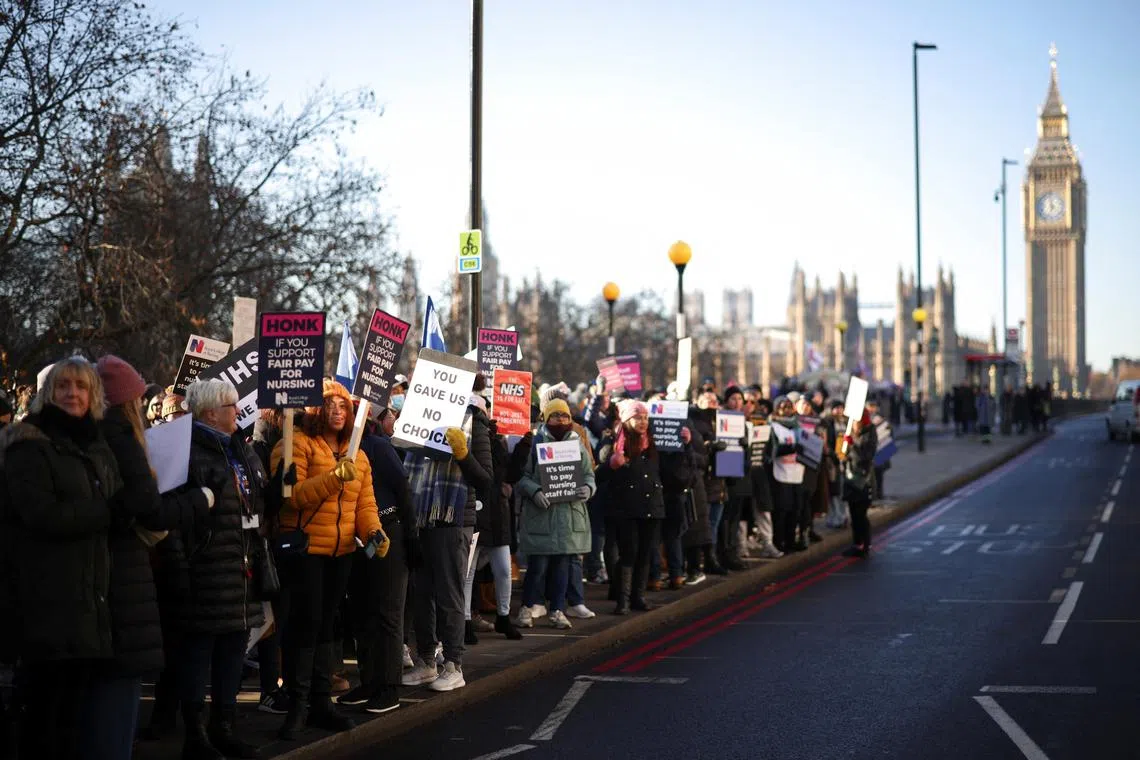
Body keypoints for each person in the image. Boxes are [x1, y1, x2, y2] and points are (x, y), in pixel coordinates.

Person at [0, 357, 121, 760]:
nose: (73, 394)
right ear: (48, 394)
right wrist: (108, 511)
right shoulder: (28, 444)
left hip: (87, 606)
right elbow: (42, 515)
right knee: (42, 723)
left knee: (72, 721)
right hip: (44, 605)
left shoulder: (95, 445)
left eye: (81, 387)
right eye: (64, 386)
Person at [90, 356, 210, 760]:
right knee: (121, 682)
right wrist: (199, 499)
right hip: (137, 568)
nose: (151, 408)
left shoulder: (111, 436)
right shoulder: (121, 437)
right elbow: (149, 507)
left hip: (151, 563)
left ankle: (165, 721)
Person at [157, 378, 268, 759]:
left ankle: (224, 728)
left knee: (231, 655)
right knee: (196, 657)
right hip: (203, 571)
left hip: (241, 569)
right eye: (230, 406)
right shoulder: (184, 451)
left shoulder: (240, 449)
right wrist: (179, 568)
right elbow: (169, 518)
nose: (237, 412)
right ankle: (196, 735)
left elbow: (257, 499)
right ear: (209, 413)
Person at [270, 380, 386, 739]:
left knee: (326, 627)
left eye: (343, 405)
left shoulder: (359, 456)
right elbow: (291, 498)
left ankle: (321, 702)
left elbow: (365, 505)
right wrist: (335, 478)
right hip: (305, 552)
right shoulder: (295, 444)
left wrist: (374, 533)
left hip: (341, 554)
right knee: (304, 625)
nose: (338, 410)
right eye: (330, 404)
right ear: (315, 410)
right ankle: (298, 706)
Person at [401, 380, 493, 693]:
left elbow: (485, 480)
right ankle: (427, 661)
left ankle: (453, 664)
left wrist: (464, 454)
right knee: (421, 592)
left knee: (449, 593)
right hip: (421, 517)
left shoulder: (474, 423)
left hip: (454, 519)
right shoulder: (418, 420)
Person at [515, 399, 595, 628]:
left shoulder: (576, 443)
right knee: (537, 567)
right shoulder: (534, 442)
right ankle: (526, 608)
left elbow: (589, 474)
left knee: (562, 567)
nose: (561, 419)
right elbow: (521, 477)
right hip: (543, 517)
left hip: (567, 517)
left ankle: (558, 610)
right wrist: (535, 491)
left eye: (565, 416)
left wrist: (588, 489)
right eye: (556, 415)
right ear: (546, 418)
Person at [597, 400, 664, 615]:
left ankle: (638, 597)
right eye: (638, 417)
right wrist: (611, 464)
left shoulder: (653, 442)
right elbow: (598, 474)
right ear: (627, 419)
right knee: (629, 553)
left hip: (651, 506)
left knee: (645, 553)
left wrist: (687, 444)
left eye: (645, 418)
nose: (643, 422)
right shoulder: (614, 442)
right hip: (626, 508)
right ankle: (623, 600)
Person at [842, 408, 878, 558]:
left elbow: (865, 456)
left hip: (863, 479)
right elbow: (846, 456)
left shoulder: (869, 433)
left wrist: (853, 445)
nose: (855, 424)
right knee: (853, 514)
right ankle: (858, 543)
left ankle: (864, 544)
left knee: (861, 514)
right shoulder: (851, 432)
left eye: (857, 420)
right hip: (850, 478)